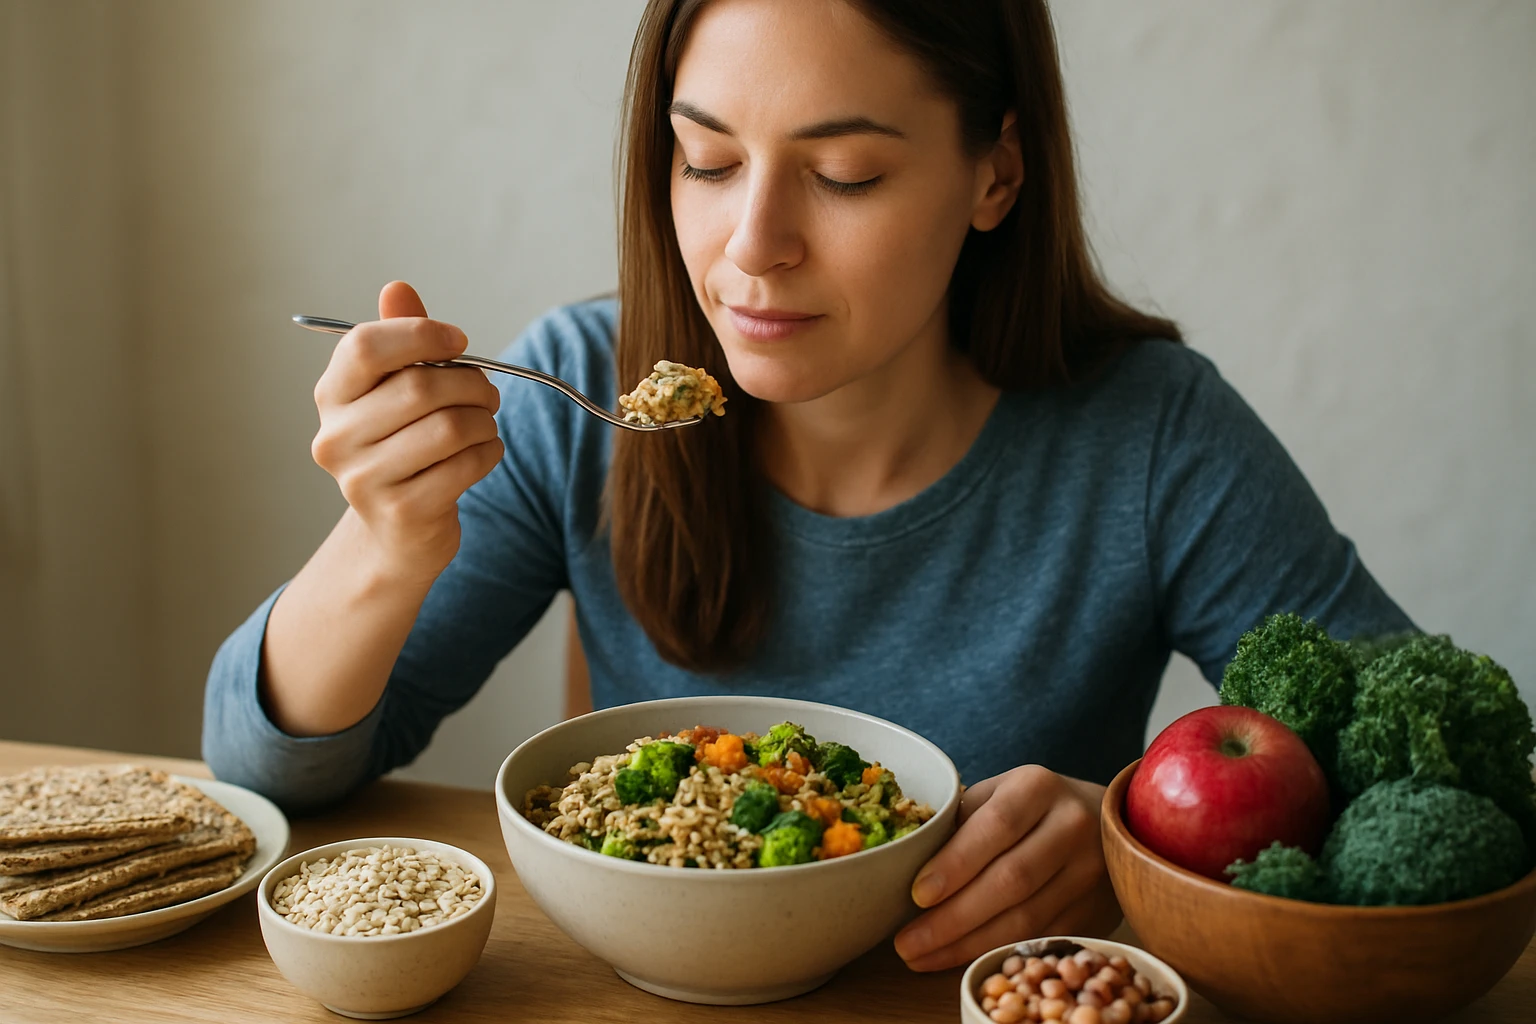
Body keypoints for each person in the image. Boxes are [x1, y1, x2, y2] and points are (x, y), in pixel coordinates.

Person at [203, 0, 1413, 972]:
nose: (751, 244)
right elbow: (268, 774)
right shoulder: (580, 388)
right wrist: (382, 544)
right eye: (707, 159)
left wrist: (1134, 829)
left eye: (841, 175)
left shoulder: (1150, 433)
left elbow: (1422, 767)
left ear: (995, 175)